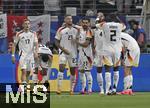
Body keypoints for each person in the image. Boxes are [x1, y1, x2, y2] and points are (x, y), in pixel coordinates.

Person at [96, 13, 125, 95]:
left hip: (107, 49)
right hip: (117, 49)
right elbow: (124, 26)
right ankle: (114, 89)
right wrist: (118, 19)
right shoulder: (119, 25)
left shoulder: (104, 24)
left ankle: (107, 90)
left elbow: (96, 25)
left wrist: (100, 19)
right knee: (116, 69)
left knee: (107, 70)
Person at [11, 19, 39, 93]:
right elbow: (14, 44)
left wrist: (36, 52)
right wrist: (13, 55)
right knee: (23, 71)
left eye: (28, 24)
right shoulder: (19, 34)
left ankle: (23, 88)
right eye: (25, 24)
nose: (27, 25)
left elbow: (36, 44)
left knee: (28, 73)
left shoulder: (33, 33)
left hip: (31, 56)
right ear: (23, 25)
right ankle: (23, 90)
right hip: (22, 55)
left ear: (30, 25)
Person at [55, 15, 79, 95]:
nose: (70, 20)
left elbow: (79, 39)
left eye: (71, 19)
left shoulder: (76, 30)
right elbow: (56, 42)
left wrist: (76, 41)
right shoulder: (61, 29)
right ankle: (59, 88)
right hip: (63, 52)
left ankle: (71, 89)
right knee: (61, 68)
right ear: (65, 20)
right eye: (68, 18)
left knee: (72, 71)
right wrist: (63, 49)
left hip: (73, 53)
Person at [74, 18, 93, 94]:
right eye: (83, 23)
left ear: (89, 24)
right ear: (81, 23)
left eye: (86, 23)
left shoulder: (89, 31)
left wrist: (77, 42)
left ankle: (90, 89)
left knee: (87, 72)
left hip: (87, 55)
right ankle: (83, 89)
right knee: (81, 72)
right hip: (81, 54)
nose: (85, 24)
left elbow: (86, 44)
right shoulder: (80, 30)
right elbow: (72, 25)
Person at [94, 12, 105, 95]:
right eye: (98, 16)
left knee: (109, 70)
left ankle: (110, 89)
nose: (99, 17)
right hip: (98, 51)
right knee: (99, 70)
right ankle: (101, 89)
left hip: (107, 51)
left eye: (101, 15)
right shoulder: (94, 29)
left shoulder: (107, 26)